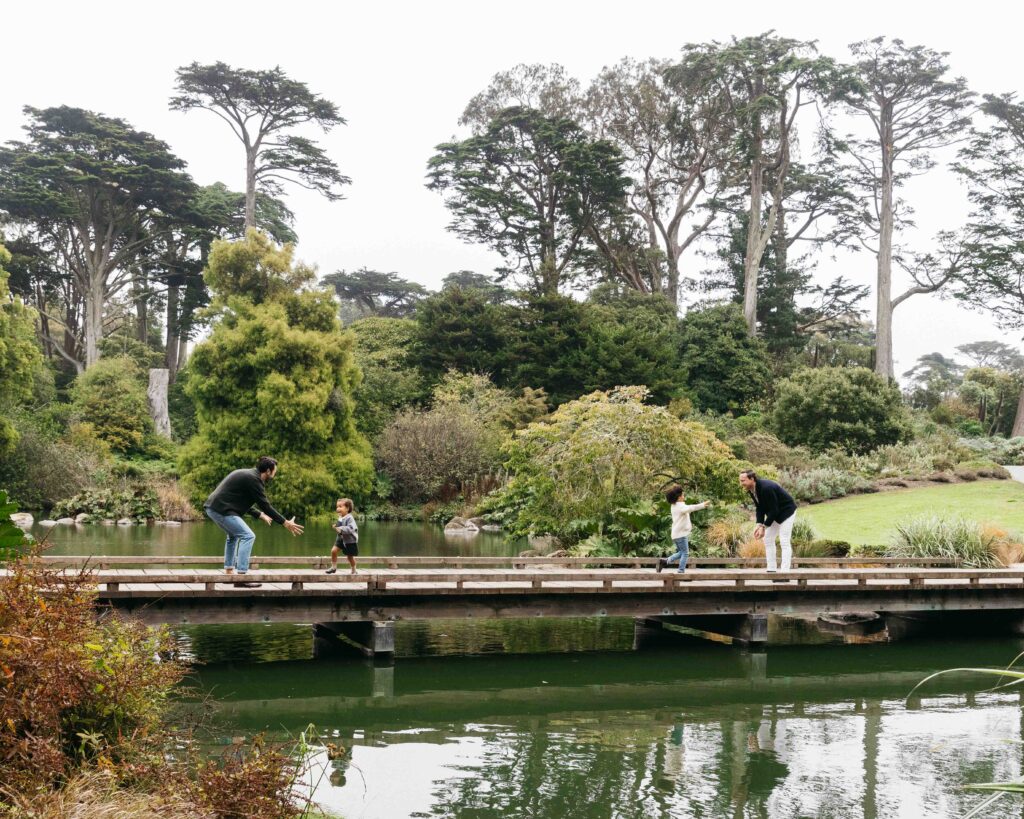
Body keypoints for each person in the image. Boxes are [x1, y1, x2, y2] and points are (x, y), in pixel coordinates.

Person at [204, 456, 304, 587]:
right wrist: (285, 522)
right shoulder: (254, 480)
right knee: (248, 535)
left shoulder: (249, 475)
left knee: (233, 536)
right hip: (221, 509)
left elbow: (238, 499)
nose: (276, 472)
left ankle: (229, 573)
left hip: (215, 507)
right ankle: (241, 578)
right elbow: (266, 505)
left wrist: (259, 514)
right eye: (275, 470)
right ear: (268, 471)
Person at [739, 469, 797, 573]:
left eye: (743, 481)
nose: (741, 483)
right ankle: (771, 569)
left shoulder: (766, 488)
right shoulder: (752, 490)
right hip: (775, 514)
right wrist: (759, 524)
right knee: (768, 539)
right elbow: (760, 508)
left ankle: (785, 572)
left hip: (787, 512)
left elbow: (774, 510)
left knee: (784, 541)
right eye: (740, 481)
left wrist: (763, 527)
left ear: (752, 479)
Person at [656, 484, 711, 573]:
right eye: (683, 495)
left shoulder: (675, 505)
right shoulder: (680, 507)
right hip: (681, 534)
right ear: (679, 497)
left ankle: (665, 561)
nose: (684, 496)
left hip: (677, 534)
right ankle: (681, 571)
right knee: (685, 553)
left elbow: (687, 508)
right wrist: (702, 505)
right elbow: (690, 508)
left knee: (681, 552)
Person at [325, 498, 359, 575]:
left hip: (350, 540)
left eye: (340, 506)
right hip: (341, 538)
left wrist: (339, 529)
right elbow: (339, 525)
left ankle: (354, 570)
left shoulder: (350, 518)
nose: (338, 508)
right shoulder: (340, 517)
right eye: (337, 507)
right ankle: (333, 567)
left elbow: (351, 528)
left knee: (349, 557)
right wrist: (336, 526)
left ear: (347, 508)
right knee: (333, 551)